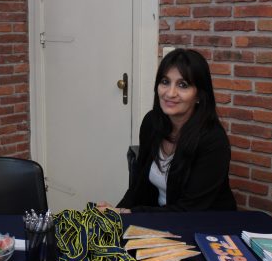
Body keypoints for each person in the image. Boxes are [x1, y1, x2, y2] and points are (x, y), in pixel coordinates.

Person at [99, 48, 236, 213]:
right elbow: (138, 186)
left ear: (199, 95)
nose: (170, 93)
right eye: (165, 82)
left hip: (204, 223)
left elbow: (190, 210)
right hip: (158, 217)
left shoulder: (213, 140)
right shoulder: (151, 122)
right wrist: (115, 213)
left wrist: (131, 213)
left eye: (182, 85)